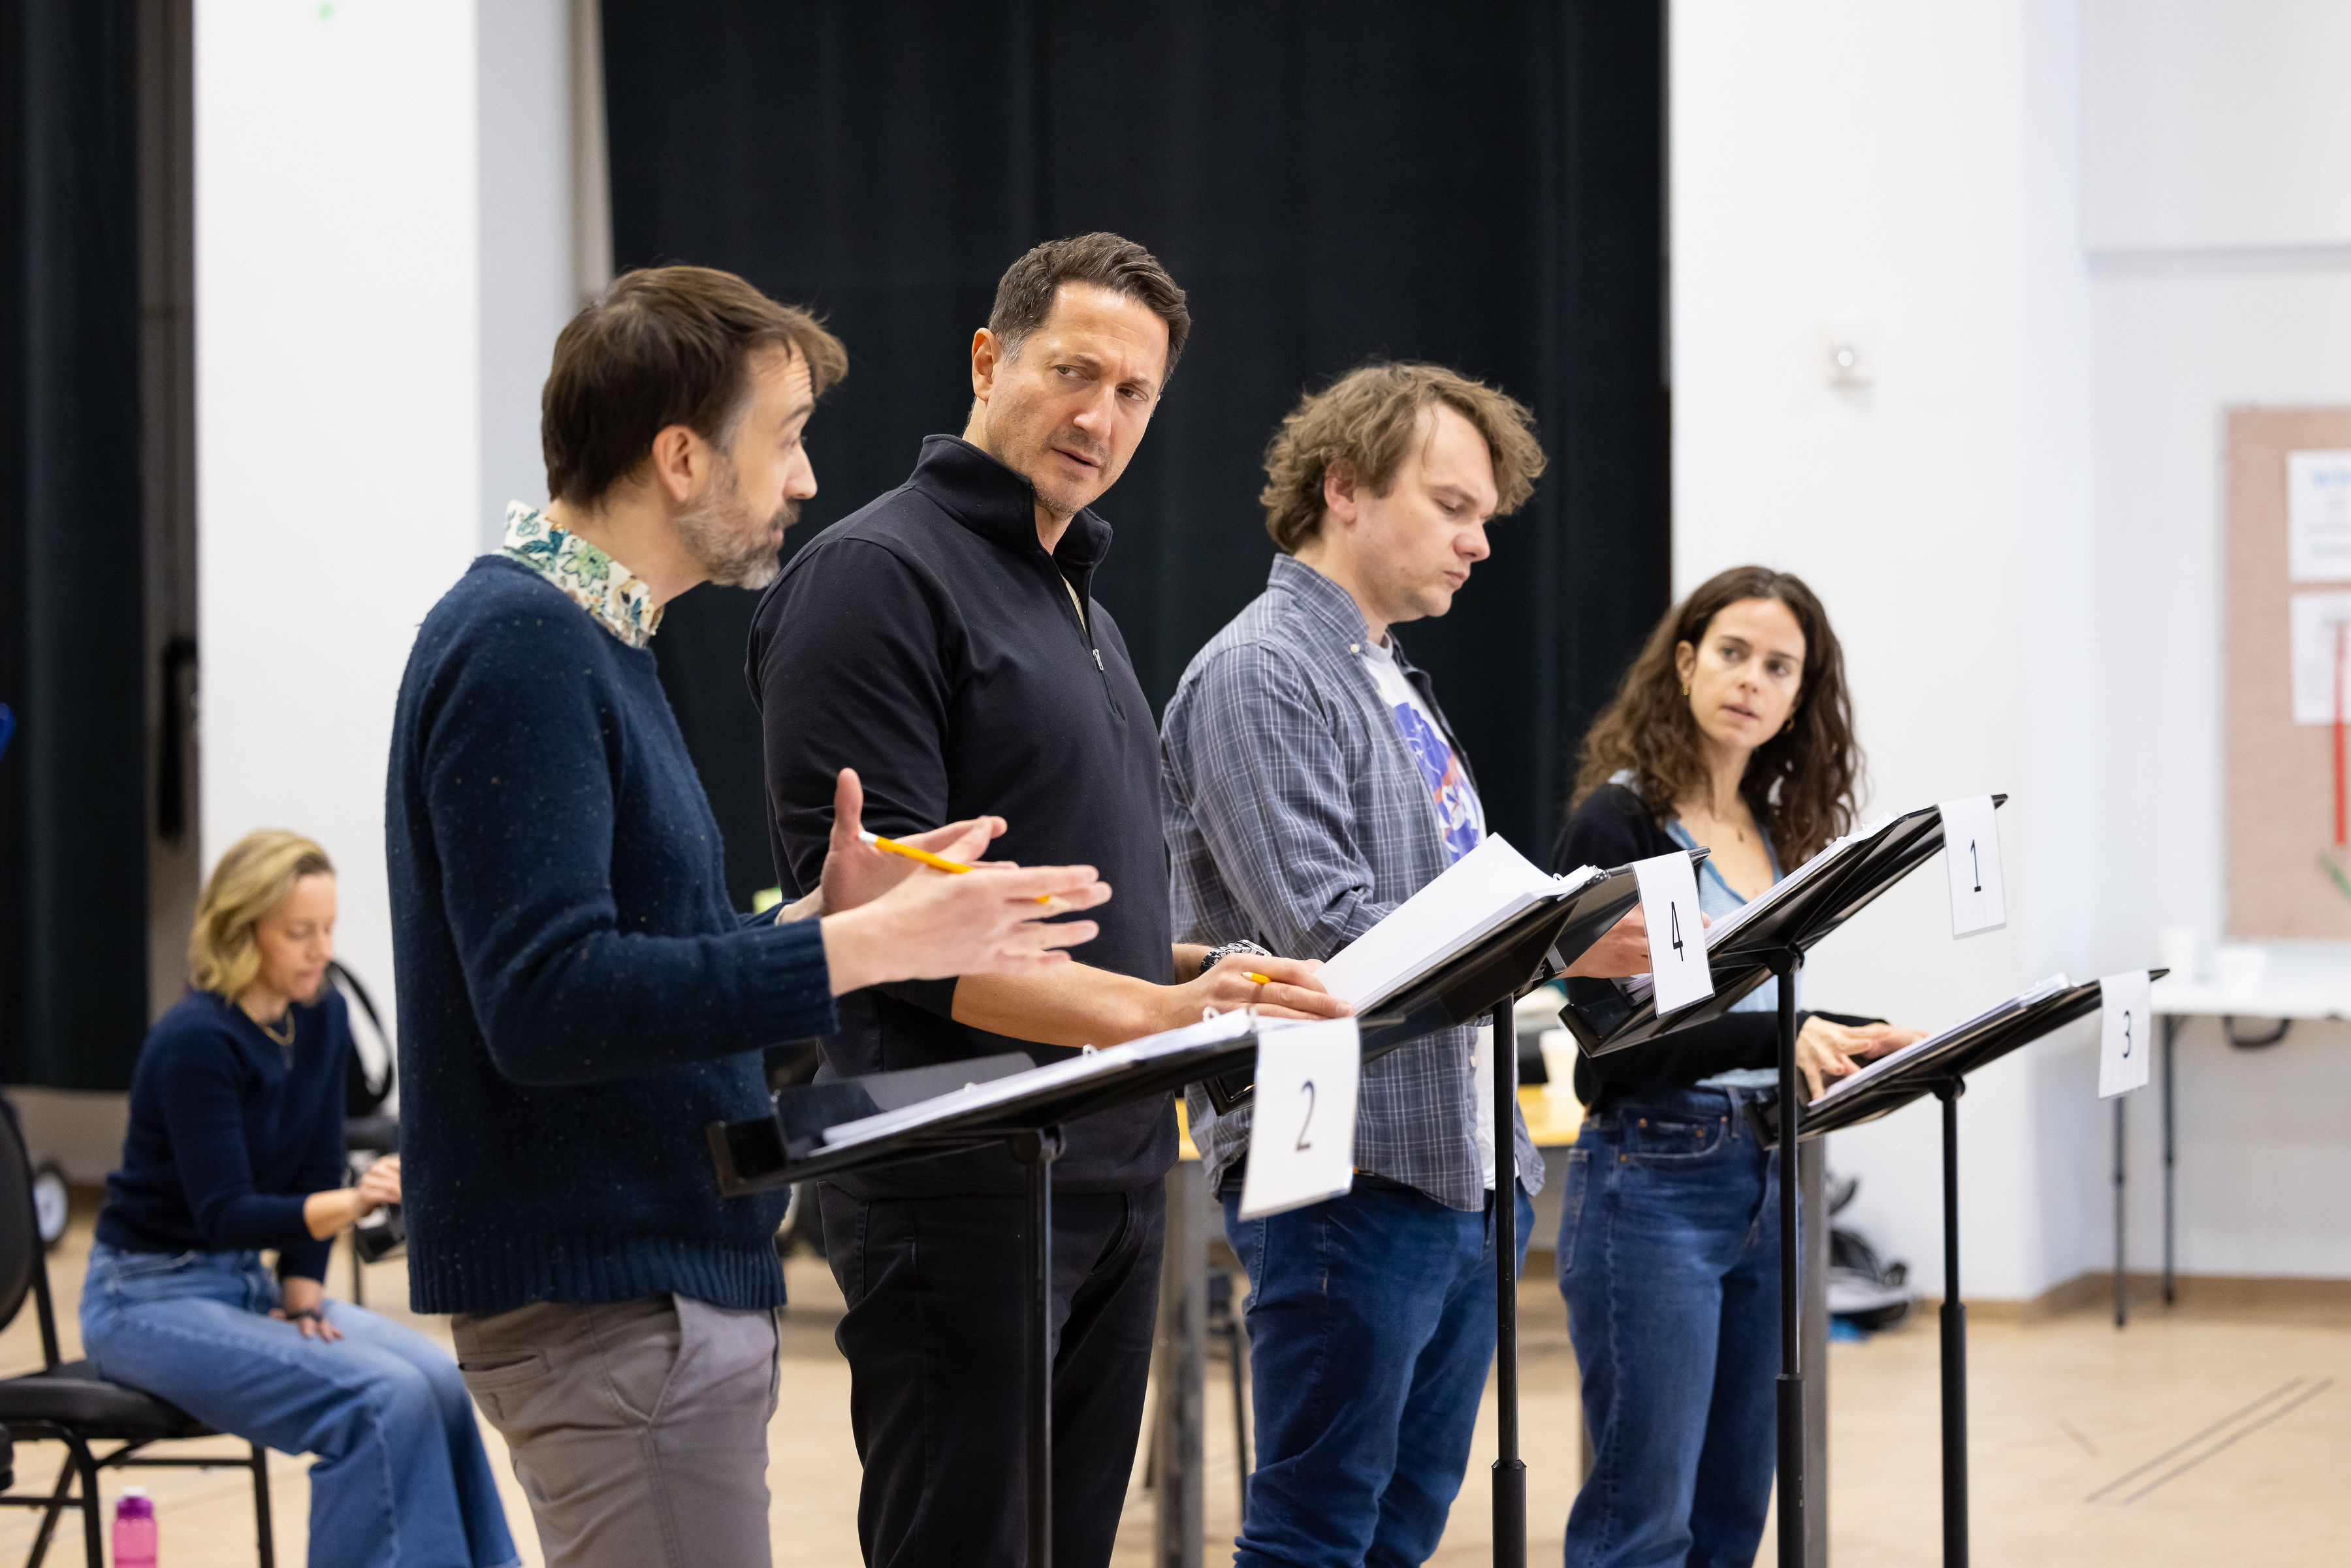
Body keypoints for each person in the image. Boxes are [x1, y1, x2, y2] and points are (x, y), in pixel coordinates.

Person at [387, 264, 1113, 1568]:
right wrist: (855, 950)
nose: (805, 479)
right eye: (783, 437)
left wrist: (811, 922)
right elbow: (548, 1004)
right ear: (680, 456)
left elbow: (633, 962)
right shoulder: (523, 644)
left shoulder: (588, 640)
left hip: (651, 1282)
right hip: (613, 1294)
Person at [748, 232, 1349, 1568]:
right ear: (989, 358)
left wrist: (1205, 968)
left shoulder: (1074, 595)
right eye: (1075, 370)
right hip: (961, 1178)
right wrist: (1158, 1007)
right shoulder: (873, 578)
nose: (1101, 414)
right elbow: (892, 934)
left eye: (1135, 392)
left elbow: (1073, 908)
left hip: (1114, 1167)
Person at [1160, 362, 1652, 1565]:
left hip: (1455, 1164)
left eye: (1485, 516)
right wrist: (1551, 931)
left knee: (1402, 1524)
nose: (1479, 543)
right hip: (1347, 1163)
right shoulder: (1263, 668)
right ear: (1344, 490)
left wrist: (1559, 933)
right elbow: (1329, 932)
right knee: (1316, 1528)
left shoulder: (1391, 678)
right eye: (1454, 507)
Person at [1550, 566, 1923, 1567]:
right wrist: (1782, 1039)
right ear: (1683, 663)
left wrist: (1857, 1036)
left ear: (1800, 697)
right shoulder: (1616, 822)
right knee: (1645, 1519)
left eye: (1778, 667)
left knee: (1733, 1516)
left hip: (1770, 1174)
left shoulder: (1770, 829)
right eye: (1731, 653)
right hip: (1652, 1177)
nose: (1751, 680)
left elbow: (1759, 1014)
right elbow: (1618, 1036)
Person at [81, 830, 516, 1568]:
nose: (321, 949)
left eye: (328, 929)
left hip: (243, 1285)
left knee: (439, 1379)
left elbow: (315, 1160)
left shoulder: (321, 1017)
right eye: (299, 932)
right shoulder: (195, 1041)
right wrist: (346, 1205)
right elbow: (226, 1211)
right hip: (144, 1300)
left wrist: (304, 1289)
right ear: (242, 930)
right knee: (382, 1397)